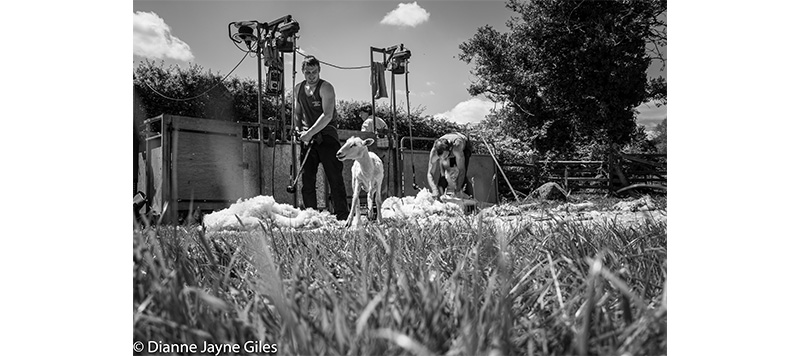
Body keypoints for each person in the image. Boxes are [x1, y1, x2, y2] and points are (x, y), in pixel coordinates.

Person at [293, 56, 349, 220]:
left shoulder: (326, 88)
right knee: (307, 180)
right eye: (308, 72)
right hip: (308, 139)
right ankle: (311, 217)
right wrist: (298, 130)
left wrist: (309, 133)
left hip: (327, 137)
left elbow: (327, 115)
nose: (311, 76)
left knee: (334, 178)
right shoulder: (298, 89)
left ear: (319, 71)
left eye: (314, 72)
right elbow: (297, 113)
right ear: (303, 72)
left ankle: (342, 217)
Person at [427, 132, 473, 198]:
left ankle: (470, 203)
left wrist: (457, 190)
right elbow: (430, 173)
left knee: (462, 180)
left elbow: (462, 171)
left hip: (463, 144)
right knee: (443, 179)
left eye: (445, 156)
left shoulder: (457, 148)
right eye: (441, 157)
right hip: (449, 145)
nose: (443, 159)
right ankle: (441, 198)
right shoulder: (434, 153)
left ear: (450, 150)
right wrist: (434, 190)